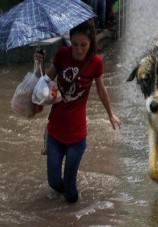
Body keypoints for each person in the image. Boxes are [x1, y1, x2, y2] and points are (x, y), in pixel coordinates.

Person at [34, 19, 121, 203]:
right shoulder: (62, 54)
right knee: (54, 182)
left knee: (71, 194)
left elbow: (101, 90)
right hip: (55, 131)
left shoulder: (96, 62)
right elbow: (46, 84)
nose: (79, 49)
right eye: (75, 44)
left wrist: (110, 114)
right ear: (70, 42)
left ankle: (75, 216)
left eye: (83, 45)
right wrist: (39, 66)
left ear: (91, 44)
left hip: (77, 137)